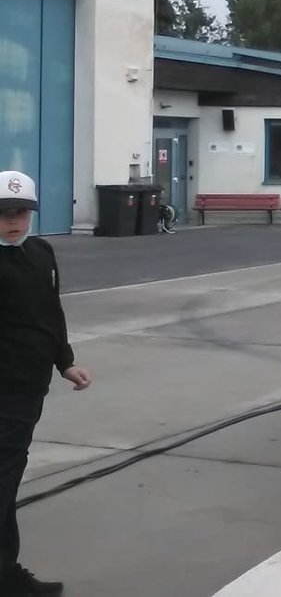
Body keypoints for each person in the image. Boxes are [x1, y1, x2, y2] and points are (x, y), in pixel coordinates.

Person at [0, 171, 92, 597]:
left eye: (20, 212)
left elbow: (50, 312)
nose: (12, 221)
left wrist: (64, 361)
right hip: (5, 389)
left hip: (29, 387)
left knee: (8, 478)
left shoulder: (41, 252)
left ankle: (6, 573)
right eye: (3, 213)